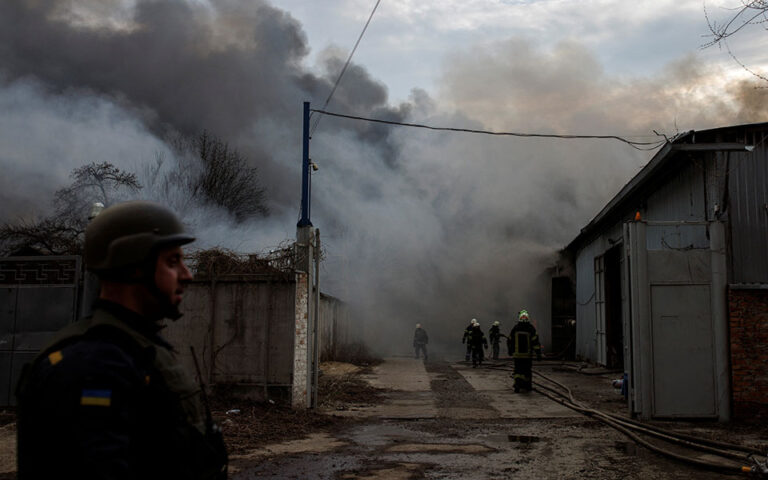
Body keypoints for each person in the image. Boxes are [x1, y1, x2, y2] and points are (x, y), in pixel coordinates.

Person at [16, 201, 228, 479]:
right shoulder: (95, 366)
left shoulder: (134, 348)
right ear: (135, 267)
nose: (186, 275)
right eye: (172, 262)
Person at [509, 309, 542, 393]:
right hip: (527, 355)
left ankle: (517, 384)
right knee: (527, 371)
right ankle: (527, 386)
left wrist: (510, 350)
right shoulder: (531, 328)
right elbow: (535, 342)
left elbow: (510, 340)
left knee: (517, 370)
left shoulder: (515, 328)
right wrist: (538, 354)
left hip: (517, 355)